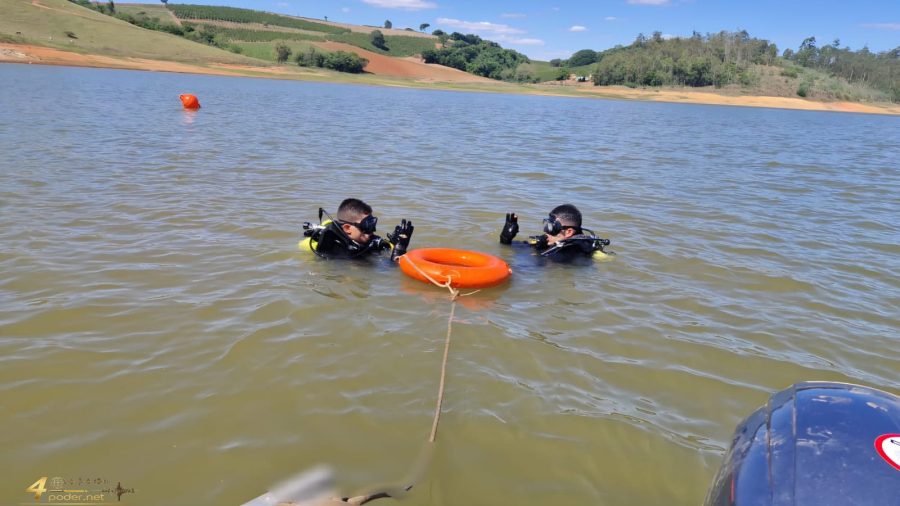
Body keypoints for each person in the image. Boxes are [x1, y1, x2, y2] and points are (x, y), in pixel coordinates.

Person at [300, 198, 413, 261]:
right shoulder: (332, 248)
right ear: (347, 228)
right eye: (366, 226)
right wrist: (399, 252)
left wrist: (397, 245)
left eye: (372, 223)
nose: (371, 230)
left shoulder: (368, 239)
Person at [498, 204, 610, 262]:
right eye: (547, 225)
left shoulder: (568, 252)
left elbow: (535, 269)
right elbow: (520, 248)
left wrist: (537, 251)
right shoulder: (555, 242)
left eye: (552, 227)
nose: (547, 231)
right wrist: (506, 238)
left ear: (569, 232)